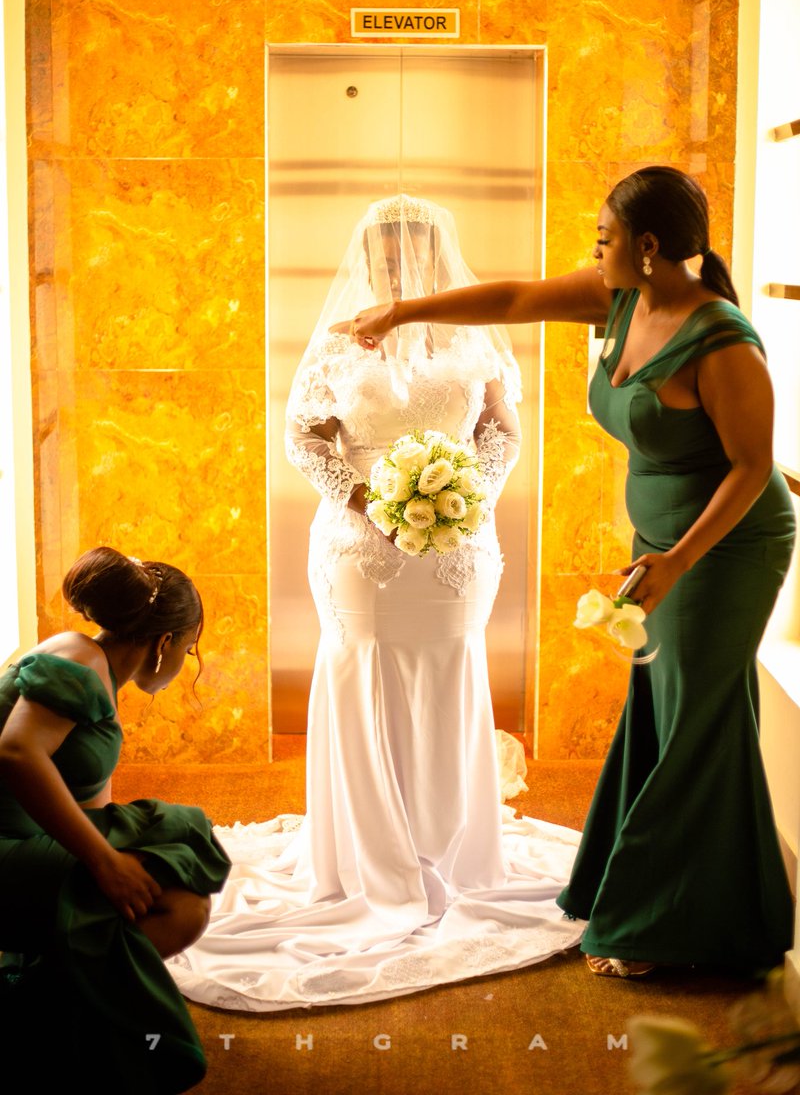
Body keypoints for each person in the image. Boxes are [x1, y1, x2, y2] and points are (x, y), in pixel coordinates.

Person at [344, 168, 796, 978]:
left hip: (726, 547)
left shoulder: (723, 340)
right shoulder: (621, 300)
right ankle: (698, 903)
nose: (594, 249)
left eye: (603, 237)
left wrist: (679, 559)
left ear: (647, 247)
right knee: (667, 705)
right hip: (661, 541)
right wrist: (403, 310)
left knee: (698, 715)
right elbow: (514, 300)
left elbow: (754, 467)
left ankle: (656, 925)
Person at [164, 194, 583, 1013]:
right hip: (359, 548)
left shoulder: (474, 335)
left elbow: (501, 428)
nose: (397, 262)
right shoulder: (337, 338)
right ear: (368, 256)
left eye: (411, 247)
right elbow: (304, 437)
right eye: (384, 250)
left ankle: (448, 845)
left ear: (435, 251)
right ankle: (363, 859)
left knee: (448, 669)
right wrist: (363, 498)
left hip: (460, 544)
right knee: (363, 673)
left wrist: (473, 490)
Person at [0, 546, 231, 1092]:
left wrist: (122, 860)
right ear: (166, 642)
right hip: (6, 847)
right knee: (179, 871)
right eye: (191, 649)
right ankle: (38, 1018)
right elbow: (14, 752)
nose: (186, 664)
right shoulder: (79, 660)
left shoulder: (97, 669)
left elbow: (94, 806)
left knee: (171, 855)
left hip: (26, 842)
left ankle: (59, 1004)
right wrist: (105, 864)